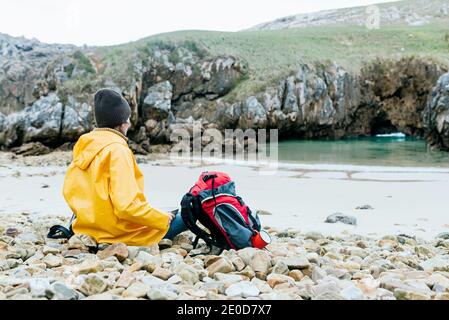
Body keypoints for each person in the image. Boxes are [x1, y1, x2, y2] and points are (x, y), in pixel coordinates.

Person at [63, 88, 187, 246]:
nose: (129, 122)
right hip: (118, 235)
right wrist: (161, 218)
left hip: (87, 229)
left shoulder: (84, 147)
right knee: (190, 213)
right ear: (121, 123)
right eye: (127, 118)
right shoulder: (118, 151)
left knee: (159, 211)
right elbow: (126, 207)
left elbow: (71, 193)